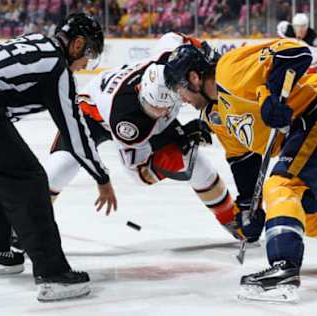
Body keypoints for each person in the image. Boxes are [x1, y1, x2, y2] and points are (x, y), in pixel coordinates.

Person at [164, 38, 317, 303]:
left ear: (194, 77)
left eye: (180, 88)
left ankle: (284, 267)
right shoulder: (212, 115)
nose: (180, 97)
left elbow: (296, 52)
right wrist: (250, 207)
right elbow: (242, 159)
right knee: (300, 211)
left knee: (281, 187)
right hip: (303, 129)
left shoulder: (229, 70)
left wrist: (273, 95)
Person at [0, 13, 114, 302]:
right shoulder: (57, 67)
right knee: (30, 181)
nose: (87, 64)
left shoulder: (35, 42)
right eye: (89, 54)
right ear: (77, 44)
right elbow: (74, 130)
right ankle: (53, 274)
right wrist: (102, 177)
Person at [43, 32, 264, 242]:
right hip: (89, 112)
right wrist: (180, 139)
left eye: (162, 108)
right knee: (63, 165)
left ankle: (232, 219)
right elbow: (141, 174)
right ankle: (26, 221)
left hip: (135, 109)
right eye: (153, 108)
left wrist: (203, 56)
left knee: (193, 159)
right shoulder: (128, 121)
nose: (157, 112)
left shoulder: (171, 60)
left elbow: (175, 38)